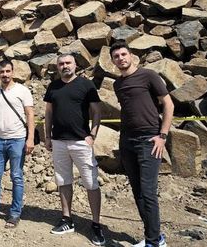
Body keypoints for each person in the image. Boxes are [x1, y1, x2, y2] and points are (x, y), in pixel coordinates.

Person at [110, 41, 173, 247]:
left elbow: (168, 104)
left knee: (148, 192)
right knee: (137, 191)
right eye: (116, 56)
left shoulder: (149, 76)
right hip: (127, 140)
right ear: (113, 61)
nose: (121, 58)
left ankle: (154, 242)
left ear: (131, 55)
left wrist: (162, 135)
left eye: (123, 54)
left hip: (149, 140)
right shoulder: (117, 84)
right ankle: (153, 236)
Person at [43, 54, 105, 245]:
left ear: (75, 65)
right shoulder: (53, 86)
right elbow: (48, 113)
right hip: (59, 141)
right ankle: (67, 219)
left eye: (68, 63)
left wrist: (93, 135)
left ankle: (96, 224)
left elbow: (96, 111)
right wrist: (47, 136)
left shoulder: (86, 85)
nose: (64, 66)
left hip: (81, 142)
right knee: (63, 181)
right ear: (57, 67)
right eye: (61, 64)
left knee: (91, 183)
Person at [0, 59, 35, 229]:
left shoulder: (23, 91)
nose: (5, 75)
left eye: (8, 71)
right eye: (2, 72)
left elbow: (30, 115)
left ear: (13, 72)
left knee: (16, 177)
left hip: (17, 139)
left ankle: (15, 213)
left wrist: (30, 139)